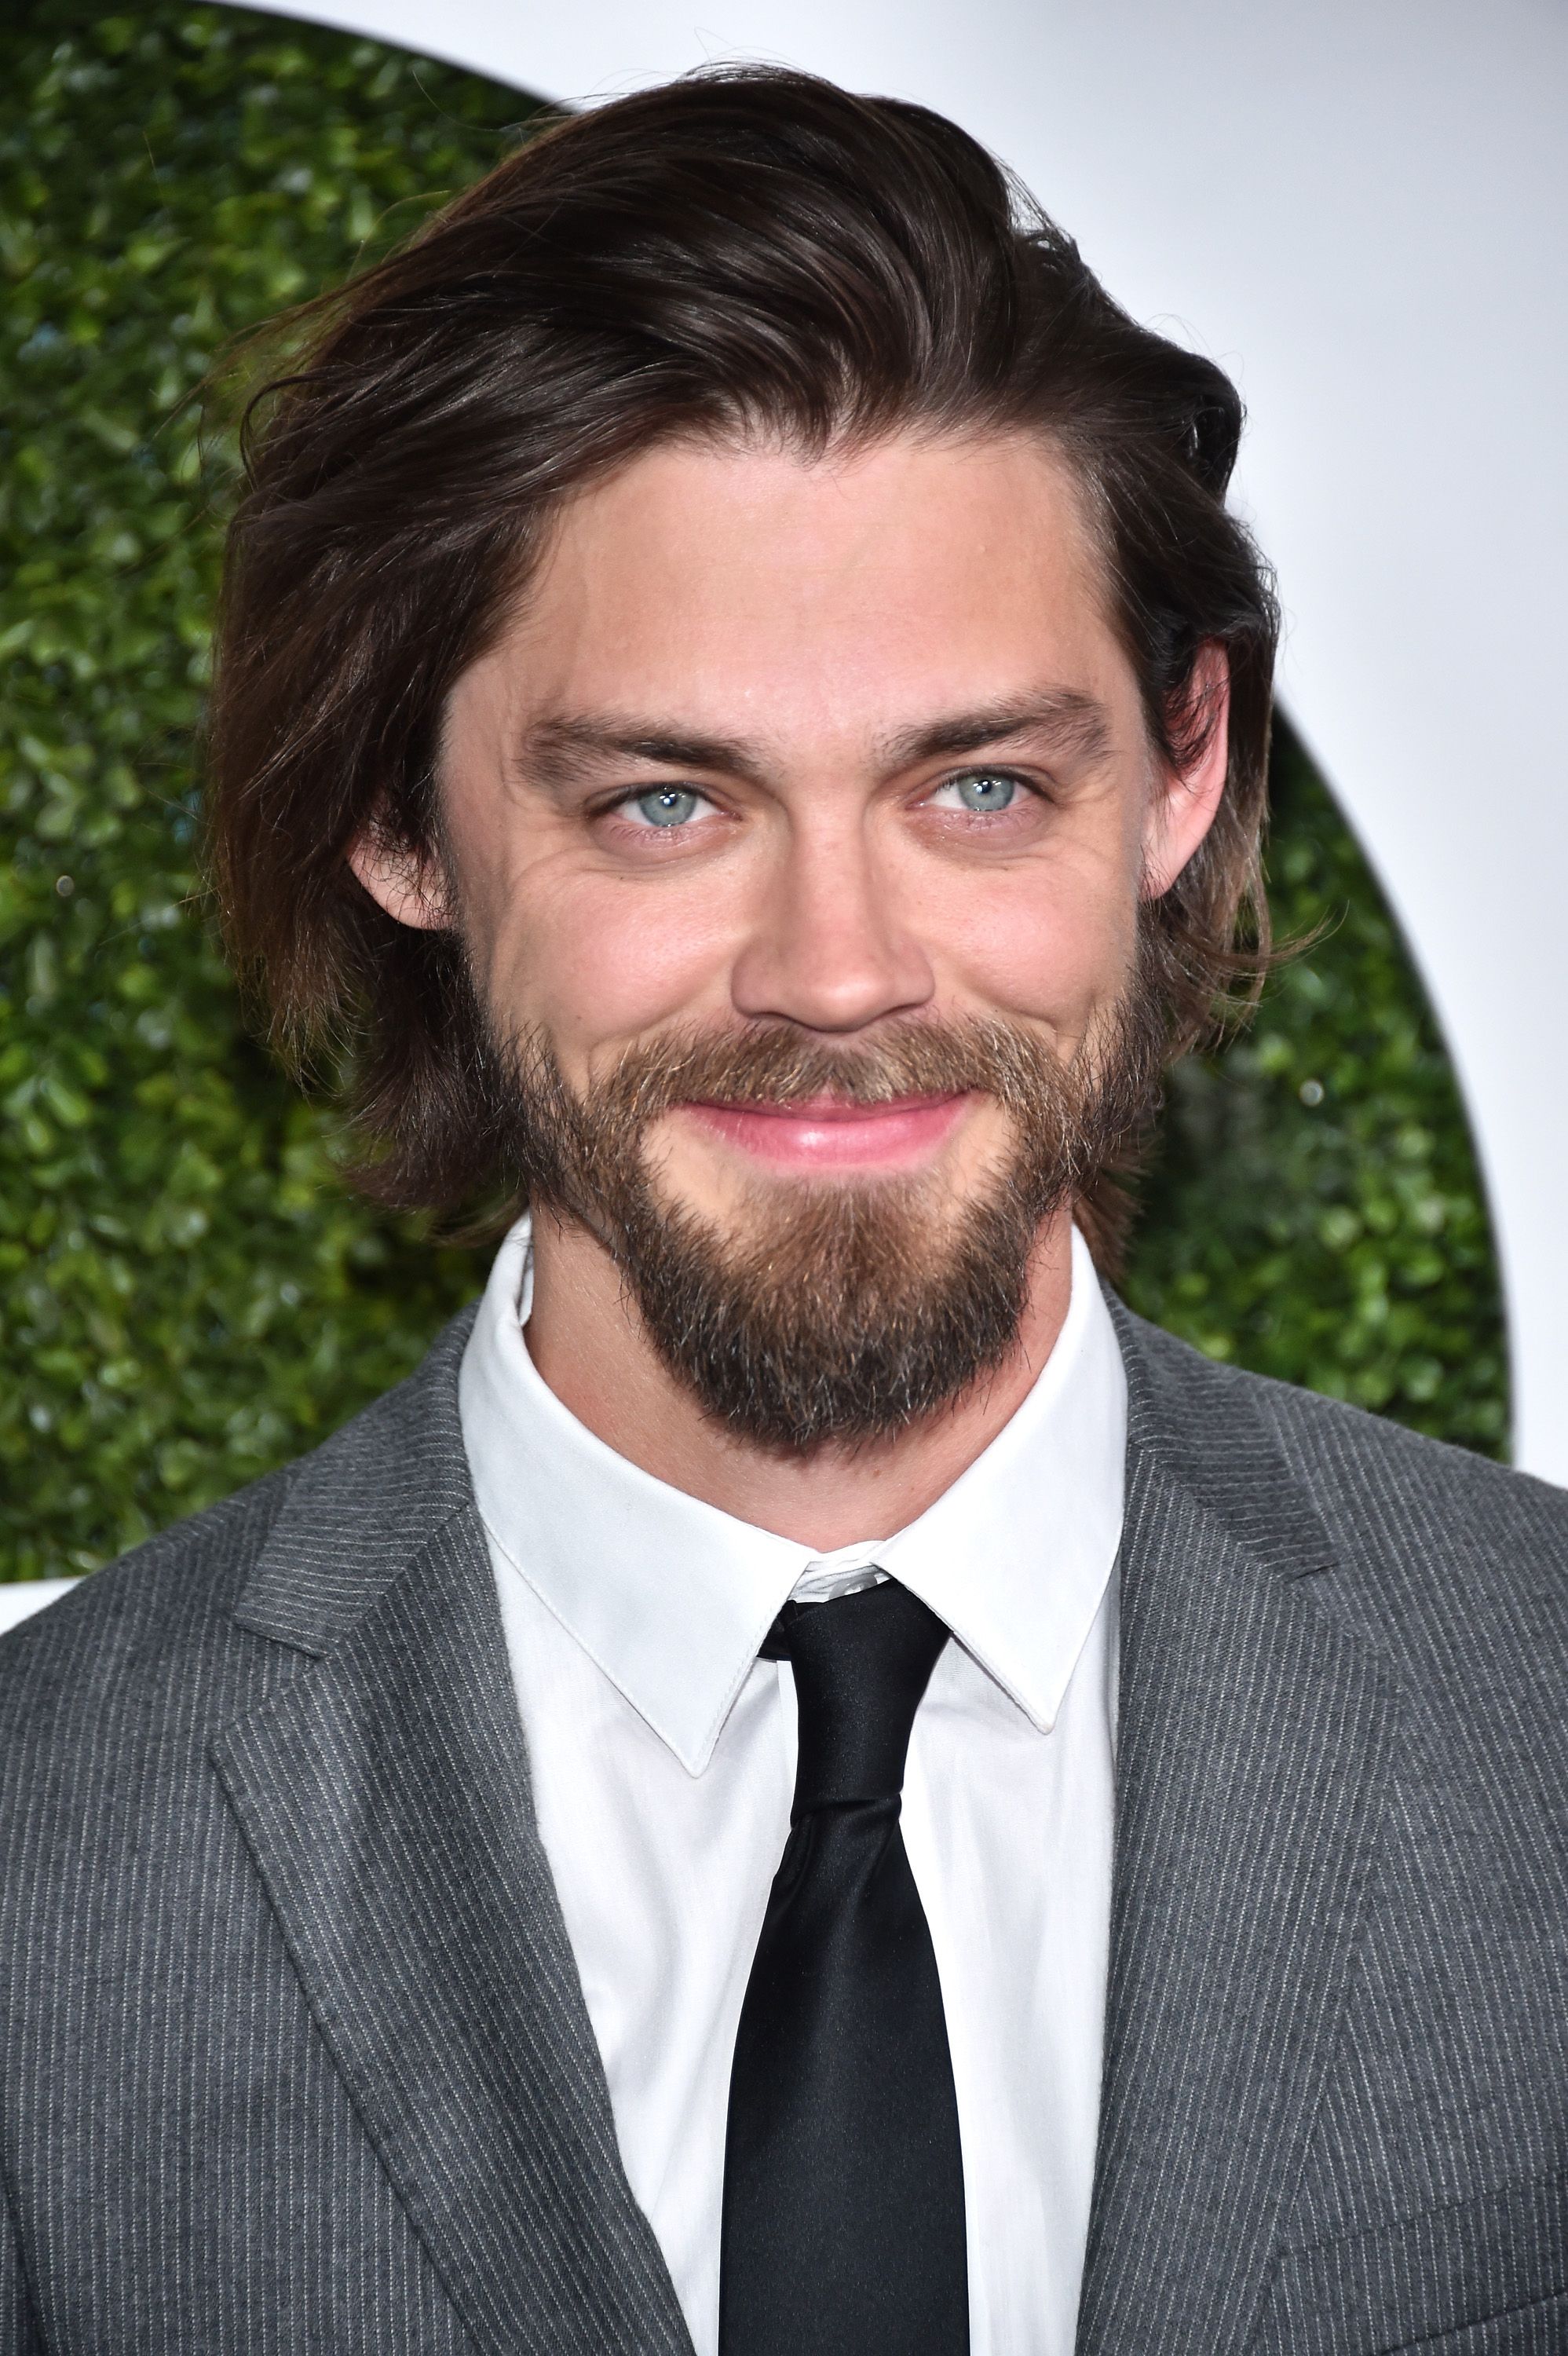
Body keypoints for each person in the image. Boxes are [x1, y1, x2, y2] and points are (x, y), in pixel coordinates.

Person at [2, 64, 1564, 2356]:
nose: (840, 972)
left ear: (1184, 769)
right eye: (662, 804)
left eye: (983, 785)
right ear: (403, 828)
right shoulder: (43, 1870)